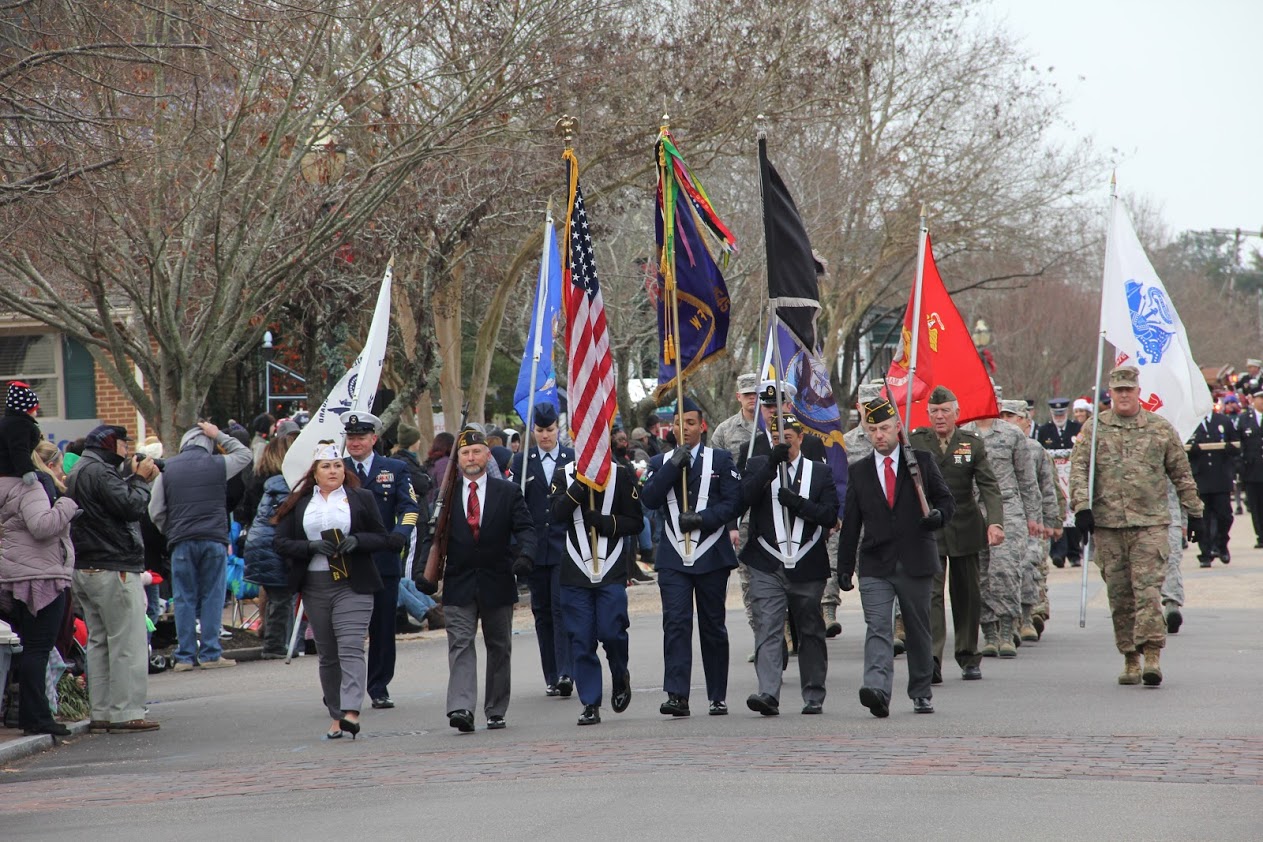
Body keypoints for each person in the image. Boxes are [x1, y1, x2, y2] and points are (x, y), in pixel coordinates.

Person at [1070, 365, 1203, 686]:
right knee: (1120, 596)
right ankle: (1130, 657)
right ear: (1111, 394)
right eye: (1119, 390)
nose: (1124, 395)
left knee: (1147, 593)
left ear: (1138, 392)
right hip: (1108, 525)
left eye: (1129, 389)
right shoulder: (1094, 429)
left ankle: (1152, 655)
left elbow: (1181, 472)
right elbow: (1078, 470)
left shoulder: (1159, 429)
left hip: (1150, 524)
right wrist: (1081, 509)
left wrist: (1194, 510)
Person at [273, 441, 400, 739]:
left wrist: (358, 541)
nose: (333, 471)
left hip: (353, 584)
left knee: (351, 645)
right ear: (314, 473)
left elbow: (382, 537)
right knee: (328, 653)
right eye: (326, 467)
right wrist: (310, 547)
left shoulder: (361, 498)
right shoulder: (299, 503)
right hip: (316, 585)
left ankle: (352, 710)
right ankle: (335, 714)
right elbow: (279, 543)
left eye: (338, 465)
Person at [838, 397, 954, 717]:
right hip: (876, 561)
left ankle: (920, 690)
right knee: (877, 626)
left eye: (885, 428)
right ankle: (877, 689)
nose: (879, 435)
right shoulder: (859, 471)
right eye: (873, 429)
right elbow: (851, 524)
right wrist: (844, 568)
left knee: (917, 628)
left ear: (897, 429)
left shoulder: (921, 463)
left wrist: (937, 517)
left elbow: (947, 501)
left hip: (915, 558)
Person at [419, 427, 535, 732]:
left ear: (487, 454)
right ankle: (461, 707)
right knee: (460, 643)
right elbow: (429, 537)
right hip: (459, 582)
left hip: (498, 579)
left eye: (476, 451)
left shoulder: (507, 492)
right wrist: (423, 573)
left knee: (499, 646)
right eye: (465, 453)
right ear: (458, 459)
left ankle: (496, 709)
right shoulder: (444, 497)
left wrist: (525, 556)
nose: (471, 457)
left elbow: (526, 530)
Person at [640, 397, 742, 717]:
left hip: (711, 552)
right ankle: (677, 695)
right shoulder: (660, 462)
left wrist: (703, 519)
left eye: (691, 423)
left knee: (713, 626)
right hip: (673, 557)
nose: (684, 429)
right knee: (676, 624)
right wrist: (672, 467)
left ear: (703, 426)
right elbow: (650, 498)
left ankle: (717, 695)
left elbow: (733, 503)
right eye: (679, 423)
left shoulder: (721, 460)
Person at [740, 414, 839, 716]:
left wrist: (796, 503)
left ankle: (813, 694)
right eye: (775, 438)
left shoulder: (819, 472)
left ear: (799, 438)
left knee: (810, 629)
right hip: (766, 562)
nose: (781, 443)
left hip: (807, 562)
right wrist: (770, 465)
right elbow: (741, 498)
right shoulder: (758, 465)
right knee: (768, 627)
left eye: (787, 438)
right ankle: (768, 693)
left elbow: (829, 515)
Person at [67, 424, 161, 733]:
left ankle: (102, 711)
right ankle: (127, 712)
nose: (127, 450)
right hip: (113, 566)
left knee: (98, 642)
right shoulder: (101, 473)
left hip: (85, 566)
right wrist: (142, 479)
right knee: (127, 641)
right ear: (111, 444)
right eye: (123, 444)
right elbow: (131, 507)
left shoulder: (81, 470)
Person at [908, 386, 1004, 682]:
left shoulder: (971, 443)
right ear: (928, 414)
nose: (939, 416)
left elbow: (988, 485)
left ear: (957, 414)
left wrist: (995, 522)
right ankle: (932, 659)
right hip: (930, 528)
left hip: (965, 526)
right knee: (931, 596)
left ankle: (967, 655)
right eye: (934, 411)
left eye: (945, 411)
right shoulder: (915, 441)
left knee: (967, 595)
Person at [148, 420, 252, 671]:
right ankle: (210, 653)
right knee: (212, 596)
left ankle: (185, 656)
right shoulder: (217, 465)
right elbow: (245, 455)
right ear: (209, 443)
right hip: (213, 537)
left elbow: (155, 509)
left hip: (181, 540)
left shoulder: (168, 468)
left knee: (184, 598)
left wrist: (170, 531)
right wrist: (220, 436)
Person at [548, 455, 641, 725]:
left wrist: (605, 522)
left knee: (612, 631)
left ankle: (620, 673)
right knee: (581, 638)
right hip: (575, 569)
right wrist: (577, 488)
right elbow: (555, 515)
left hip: (610, 566)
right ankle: (590, 702)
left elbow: (636, 522)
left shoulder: (620, 474)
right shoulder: (563, 474)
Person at [342, 412, 419, 710]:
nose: (355, 443)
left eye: (361, 437)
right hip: (347, 559)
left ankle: (378, 686)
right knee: (346, 629)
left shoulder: (395, 468)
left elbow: (410, 507)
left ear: (374, 439)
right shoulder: (337, 469)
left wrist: (400, 534)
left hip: (384, 558)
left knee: (383, 628)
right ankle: (344, 687)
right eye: (351, 438)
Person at [0, 441, 78, 736]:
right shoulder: (31, 487)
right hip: (41, 576)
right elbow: (41, 526)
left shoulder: (6, 486)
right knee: (38, 649)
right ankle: (37, 717)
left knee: (30, 648)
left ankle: (28, 715)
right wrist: (66, 505)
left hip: (16, 574)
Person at [961, 385, 1041, 658]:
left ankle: (1008, 628)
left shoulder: (1011, 434)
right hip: (973, 509)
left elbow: (1027, 479)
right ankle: (989, 632)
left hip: (1008, 509)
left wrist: (1033, 518)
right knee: (980, 574)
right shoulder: (962, 435)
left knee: (1005, 570)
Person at [509, 402, 576, 698]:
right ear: (532, 430)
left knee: (562, 609)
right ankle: (550, 674)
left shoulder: (571, 458)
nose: (545, 436)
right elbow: (515, 506)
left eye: (549, 430)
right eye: (539, 430)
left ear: (557, 429)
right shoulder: (522, 462)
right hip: (535, 548)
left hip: (565, 545)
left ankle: (565, 672)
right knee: (542, 612)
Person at [1000, 400, 1063, 641]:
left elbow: (1048, 488)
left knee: (1029, 568)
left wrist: (1052, 520)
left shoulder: (1035, 450)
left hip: (1030, 520)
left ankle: (1027, 617)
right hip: (1003, 517)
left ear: (1026, 422)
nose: (1007, 421)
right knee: (1003, 572)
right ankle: (1008, 620)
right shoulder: (991, 445)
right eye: (1003, 416)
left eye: (1012, 416)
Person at [243, 434, 297, 658]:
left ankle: (277, 640)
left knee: (276, 594)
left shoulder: (261, 479)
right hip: (272, 544)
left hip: (260, 543)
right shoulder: (284, 484)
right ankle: (275, 645)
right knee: (281, 597)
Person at [1185, 407, 1239, 566]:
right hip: (1200, 478)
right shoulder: (1189, 424)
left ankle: (1221, 544)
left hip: (1220, 477)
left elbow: (1237, 444)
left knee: (1225, 516)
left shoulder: (1223, 421)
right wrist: (1190, 451)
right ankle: (1206, 552)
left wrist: (1232, 450)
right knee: (1202, 519)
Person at [708, 372, 759, 459]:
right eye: (747, 394)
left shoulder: (772, 426)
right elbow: (714, 462)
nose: (752, 397)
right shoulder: (724, 430)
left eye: (755, 393)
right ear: (738, 396)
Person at [1235, 388, 1263, 549]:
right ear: (1253, 400)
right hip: (1252, 470)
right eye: (1260, 398)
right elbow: (1239, 445)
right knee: (1256, 505)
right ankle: (1260, 535)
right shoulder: (1245, 419)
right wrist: (1240, 466)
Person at [0, 381, 41, 484]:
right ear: (26, 411)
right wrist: (26, 470)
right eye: (35, 410)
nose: (36, 413)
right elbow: (19, 450)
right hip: (10, 474)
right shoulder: (20, 426)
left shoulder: (8, 423)